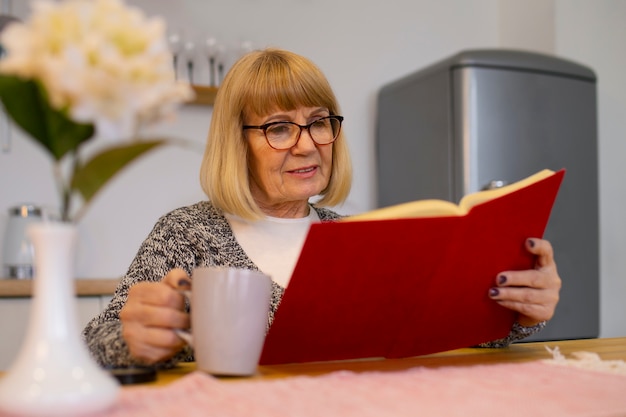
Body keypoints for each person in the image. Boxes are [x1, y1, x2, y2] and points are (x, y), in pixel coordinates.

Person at [82, 48, 562, 368]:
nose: (308, 145)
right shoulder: (186, 232)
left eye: (318, 122)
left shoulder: (360, 236)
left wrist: (520, 313)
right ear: (237, 144)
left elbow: (432, 337)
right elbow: (95, 342)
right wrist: (134, 339)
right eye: (278, 128)